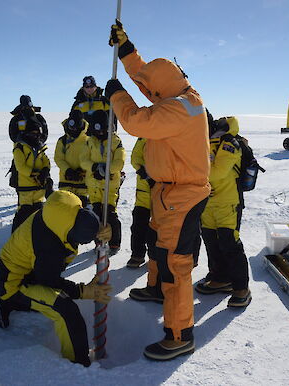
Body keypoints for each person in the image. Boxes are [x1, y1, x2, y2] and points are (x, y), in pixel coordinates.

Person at [105, 20, 210, 361]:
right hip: (167, 190)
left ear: (165, 88)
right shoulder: (176, 94)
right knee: (158, 245)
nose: (148, 94)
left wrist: (117, 96)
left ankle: (180, 334)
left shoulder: (180, 109)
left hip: (183, 193)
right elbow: (149, 82)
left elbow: (135, 121)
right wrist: (126, 50)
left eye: (153, 91)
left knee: (176, 260)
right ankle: (155, 290)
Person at [0, 190, 113, 367]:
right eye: (79, 240)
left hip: (32, 271)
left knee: (54, 299)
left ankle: (15, 301)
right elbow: (47, 280)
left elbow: (86, 216)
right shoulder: (47, 245)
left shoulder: (61, 212)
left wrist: (99, 230)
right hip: (15, 282)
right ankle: (77, 365)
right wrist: (81, 291)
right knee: (66, 311)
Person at [194, 116, 251, 308]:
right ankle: (220, 278)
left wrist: (194, 171)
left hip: (228, 202)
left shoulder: (229, 142)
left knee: (230, 244)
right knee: (211, 242)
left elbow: (218, 172)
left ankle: (242, 288)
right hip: (207, 203)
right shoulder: (203, 142)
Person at [79, 109, 125, 254]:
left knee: (110, 214)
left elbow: (119, 162)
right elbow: (83, 160)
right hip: (93, 185)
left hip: (110, 185)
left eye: (102, 129)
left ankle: (114, 243)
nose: (99, 133)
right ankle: (99, 241)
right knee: (97, 215)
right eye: (96, 129)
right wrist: (94, 168)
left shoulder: (115, 141)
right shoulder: (89, 142)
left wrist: (106, 170)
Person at [10, 103, 51, 232]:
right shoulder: (20, 147)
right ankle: (17, 235)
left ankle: (34, 235)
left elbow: (46, 161)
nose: (35, 135)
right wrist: (33, 173)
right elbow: (21, 166)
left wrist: (45, 171)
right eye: (32, 133)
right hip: (25, 187)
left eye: (37, 133)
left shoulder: (40, 147)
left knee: (38, 211)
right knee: (23, 212)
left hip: (38, 187)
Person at [127, 137, 156, 268]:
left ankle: (155, 257)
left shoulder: (170, 134)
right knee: (138, 225)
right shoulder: (144, 137)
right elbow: (135, 157)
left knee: (158, 228)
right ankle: (137, 255)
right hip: (143, 190)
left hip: (162, 190)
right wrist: (143, 172)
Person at [54, 110, 89, 206]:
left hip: (82, 183)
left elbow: (91, 158)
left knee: (81, 212)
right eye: (71, 128)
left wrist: (83, 170)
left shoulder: (88, 141)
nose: (73, 131)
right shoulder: (63, 141)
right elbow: (58, 158)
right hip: (66, 182)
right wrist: (68, 170)